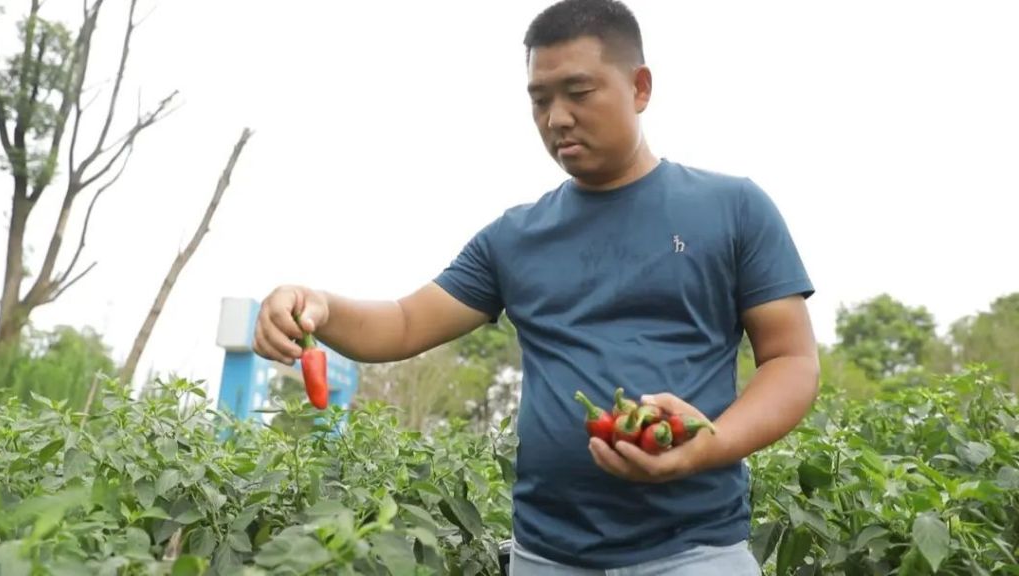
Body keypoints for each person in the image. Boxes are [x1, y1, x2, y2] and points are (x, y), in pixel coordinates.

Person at [252, 0, 820, 573]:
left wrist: (711, 444)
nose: (557, 118)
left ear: (640, 87)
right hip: (545, 556)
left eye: (578, 92)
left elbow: (791, 361)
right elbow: (402, 323)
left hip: (697, 553)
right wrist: (318, 305)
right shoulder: (515, 236)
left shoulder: (732, 208)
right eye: (540, 100)